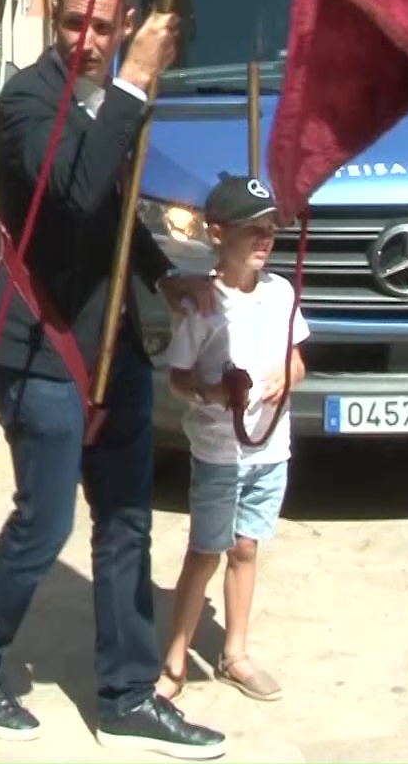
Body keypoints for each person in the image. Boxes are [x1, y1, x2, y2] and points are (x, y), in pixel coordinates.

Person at [0, 0, 226, 758]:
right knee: (46, 520)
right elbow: (70, 194)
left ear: (127, 20)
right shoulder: (27, 101)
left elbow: (116, 213)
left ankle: (129, 692)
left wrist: (166, 278)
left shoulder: (117, 101)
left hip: (115, 342)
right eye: (75, 24)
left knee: (128, 519)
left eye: (106, 26)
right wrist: (133, 87)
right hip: (39, 343)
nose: (89, 41)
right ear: (52, 16)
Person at [154, 175, 309, 707]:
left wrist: (288, 373)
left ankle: (235, 653)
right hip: (221, 451)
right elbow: (176, 375)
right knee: (206, 551)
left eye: (270, 230)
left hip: (271, 448)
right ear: (218, 234)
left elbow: (298, 357)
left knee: (247, 547)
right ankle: (175, 658)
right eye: (252, 231)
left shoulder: (281, 292)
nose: (264, 241)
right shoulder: (204, 305)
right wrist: (210, 391)